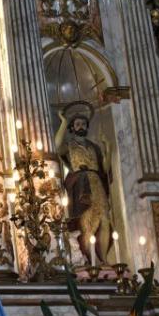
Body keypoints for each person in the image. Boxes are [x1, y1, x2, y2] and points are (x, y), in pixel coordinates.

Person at [55, 108, 112, 265]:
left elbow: (105, 169)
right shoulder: (70, 145)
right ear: (72, 128)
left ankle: (104, 259)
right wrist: (63, 123)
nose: (81, 126)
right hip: (81, 185)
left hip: (97, 183)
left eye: (83, 124)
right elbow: (55, 146)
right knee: (87, 222)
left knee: (105, 219)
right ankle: (87, 259)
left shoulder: (94, 147)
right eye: (77, 124)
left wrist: (109, 147)